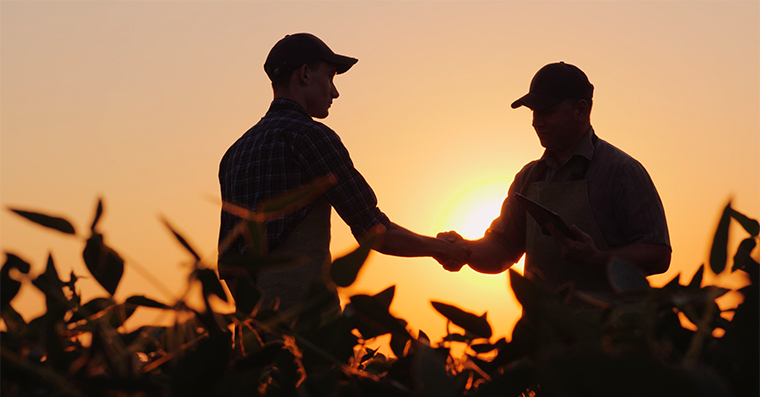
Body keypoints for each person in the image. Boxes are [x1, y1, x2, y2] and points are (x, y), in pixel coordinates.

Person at [218, 33, 468, 319]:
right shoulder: (310, 137)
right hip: (309, 333)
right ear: (304, 74)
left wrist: (256, 321)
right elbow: (374, 231)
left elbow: (228, 264)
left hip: (252, 340)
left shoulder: (234, 153)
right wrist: (440, 248)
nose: (335, 92)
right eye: (331, 76)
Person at [438, 62, 671, 301]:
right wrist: (463, 250)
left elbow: (659, 255)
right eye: (533, 113)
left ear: (581, 110)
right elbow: (501, 252)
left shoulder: (623, 172)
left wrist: (597, 258)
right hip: (542, 334)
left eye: (547, 111)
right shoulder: (528, 178)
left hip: (608, 334)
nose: (536, 122)